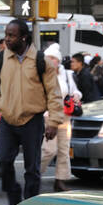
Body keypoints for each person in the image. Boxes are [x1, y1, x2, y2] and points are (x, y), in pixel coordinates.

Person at [0, 17, 64, 205]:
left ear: (24, 38)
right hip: (8, 120)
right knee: (3, 161)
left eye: (11, 35)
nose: (7, 39)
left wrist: (53, 122)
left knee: (32, 168)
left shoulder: (41, 61)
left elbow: (54, 93)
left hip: (32, 120)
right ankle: (13, 197)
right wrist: (1, 104)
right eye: (6, 35)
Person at [40, 43, 79, 192]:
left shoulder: (67, 74)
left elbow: (75, 91)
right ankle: (34, 174)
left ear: (59, 60)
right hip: (48, 116)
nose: (51, 61)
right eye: (48, 58)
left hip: (65, 116)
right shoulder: (41, 74)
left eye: (53, 58)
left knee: (64, 149)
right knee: (49, 150)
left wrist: (76, 96)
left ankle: (60, 180)